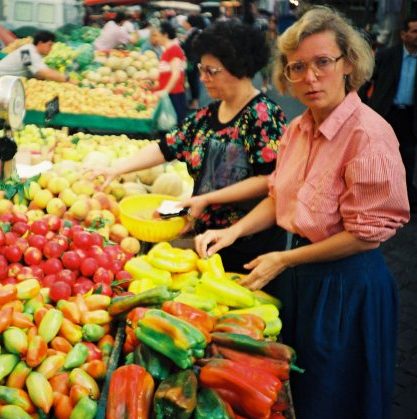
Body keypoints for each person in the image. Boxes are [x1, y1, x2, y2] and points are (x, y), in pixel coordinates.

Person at [194, 6, 409, 419]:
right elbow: (280, 196)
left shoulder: (369, 134)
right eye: (298, 67)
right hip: (299, 280)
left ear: (348, 64)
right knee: (296, 396)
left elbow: (366, 236)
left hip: (346, 288)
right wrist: (231, 230)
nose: (310, 77)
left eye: (322, 62)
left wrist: (285, 260)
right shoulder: (297, 129)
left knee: (336, 399)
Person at [96, 21, 288, 273]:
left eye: (211, 71)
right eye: (201, 69)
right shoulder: (206, 115)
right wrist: (117, 168)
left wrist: (206, 198)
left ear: (239, 69)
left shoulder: (263, 115)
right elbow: (167, 147)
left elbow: (269, 180)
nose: (202, 78)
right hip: (205, 237)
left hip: (247, 244)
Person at [359, 15, 417, 214]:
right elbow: (366, 79)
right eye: (415, 31)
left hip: (411, 116)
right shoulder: (387, 55)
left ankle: (406, 201)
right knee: (379, 157)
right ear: (404, 34)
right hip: (386, 114)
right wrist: (364, 105)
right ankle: (374, 198)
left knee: (407, 157)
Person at [0, 30, 68, 82]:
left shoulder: (31, 51)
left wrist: (54, 73)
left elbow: (35, 73)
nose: (51, 48)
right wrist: (67, 80)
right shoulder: (27, 52)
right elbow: (44, 73)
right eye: (49, 45)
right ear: (40, 43)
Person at [155, 21, 187, 125]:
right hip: (169, 94)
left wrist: (165, 91)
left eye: (158, 35)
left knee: (175, 128)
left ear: (165, 35)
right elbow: (164, 73)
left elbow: (176, 74)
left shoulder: (174, 49)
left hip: (175, 95)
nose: (156, 38)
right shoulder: (166, 51)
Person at [182, 14, 206, 110]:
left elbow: (190, 46)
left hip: (192, 60)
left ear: (190, 23)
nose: (184, 24)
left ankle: (195, 102)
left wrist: (181, 44)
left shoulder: (195, 32)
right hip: (194, 59)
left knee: (193, 80)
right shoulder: (195, 31)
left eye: (186, 22)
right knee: (193, 79)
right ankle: (194, 100)